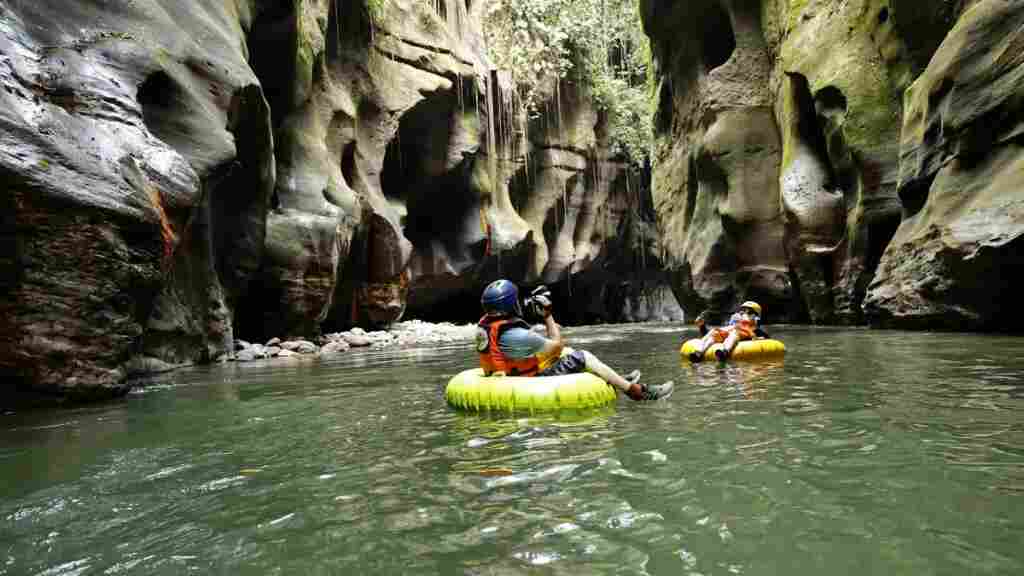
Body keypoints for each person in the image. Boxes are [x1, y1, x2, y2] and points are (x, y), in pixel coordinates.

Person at [476, 279, 673, 401]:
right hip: (525, 383)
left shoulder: (486, 325)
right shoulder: (518, 336)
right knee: (581, 356)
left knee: (567, 353)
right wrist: (547, 315)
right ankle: (636, 392)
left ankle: (616, 378)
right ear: (511, 304)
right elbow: (556, 345)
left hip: (505, 375)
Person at [688, 301, 769, 362]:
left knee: (734, 333)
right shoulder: (735, 325)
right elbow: (708, 334)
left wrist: (759, 338)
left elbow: (766, 339)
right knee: (714, 333)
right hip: (724, 338)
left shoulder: (756, 330)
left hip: (735, 344)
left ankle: (725, 352)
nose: (743, 313)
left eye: (748, 311)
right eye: (743, 311)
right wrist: (702, 326)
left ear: (755, 316)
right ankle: (698, 353)